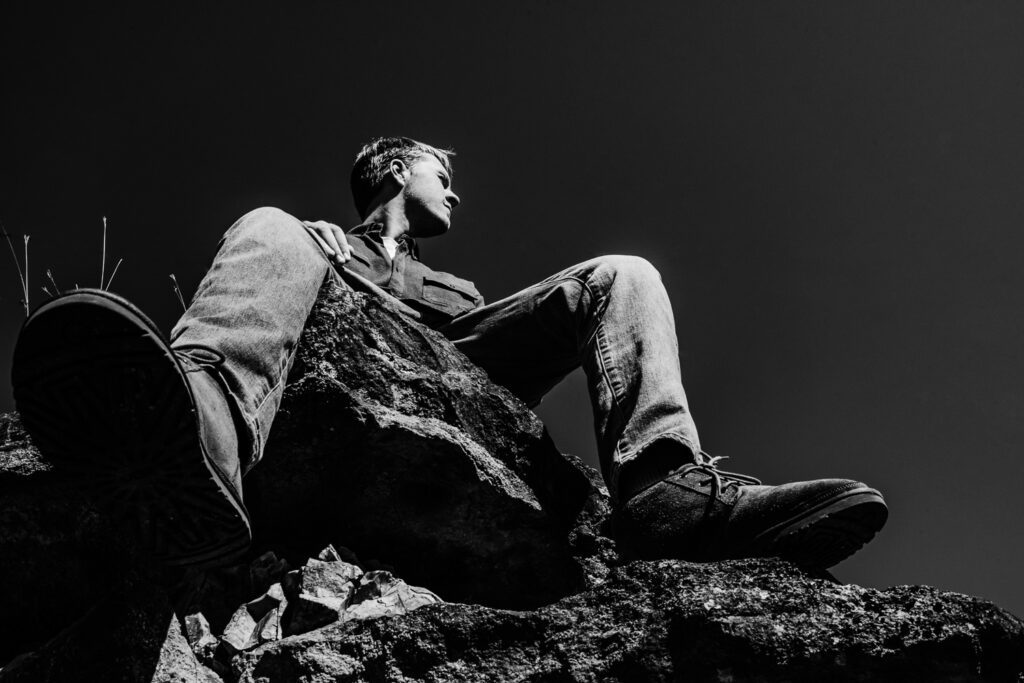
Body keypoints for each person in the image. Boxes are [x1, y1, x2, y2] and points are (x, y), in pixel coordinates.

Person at [11, 137, 887, 570]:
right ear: (396, 171)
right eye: (442, 174)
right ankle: (204, 430)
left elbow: (487, 353)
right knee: (267, 222)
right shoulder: (313, 241)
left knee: (624, 272)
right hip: (330, 313)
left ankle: (665, 491)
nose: (455, 192)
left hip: (457, 358)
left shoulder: (458, 291)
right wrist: (315, 252)